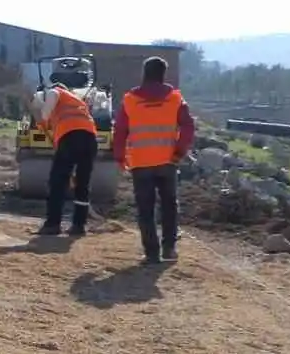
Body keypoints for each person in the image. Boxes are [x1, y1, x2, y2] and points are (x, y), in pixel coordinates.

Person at [112, 56, 195, 264]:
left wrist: (119, 157)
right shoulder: (175, 99)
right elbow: (188, 126)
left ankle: (151, 254)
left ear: (144, 73)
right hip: (168, 161)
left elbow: (120, 130)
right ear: (163, 74)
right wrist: (179, 151)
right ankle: (169, 248)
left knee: (145, 208)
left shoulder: (130, 99)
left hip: (140, 163)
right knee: (169, 205)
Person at [30, 76, 100, 237]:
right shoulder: (77, 102)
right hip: (90, 140)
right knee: (82, 184)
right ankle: (79, 226)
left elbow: (48, 108)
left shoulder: (56, 91)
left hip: (71, 138)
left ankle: (52, 224)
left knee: (57, 181)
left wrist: (43, 116)